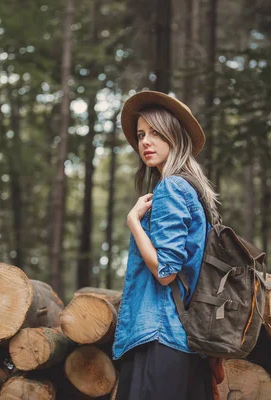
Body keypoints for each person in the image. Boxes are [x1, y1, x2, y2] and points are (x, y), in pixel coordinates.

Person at [112, 91, 221, 400]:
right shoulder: (190, 190)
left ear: (175, 137)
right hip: (182, 339)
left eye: (156, 133)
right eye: (141, 135)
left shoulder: (172, 187)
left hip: (161, 337)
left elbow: (165, 271)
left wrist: (134, 221)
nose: (146, 142)